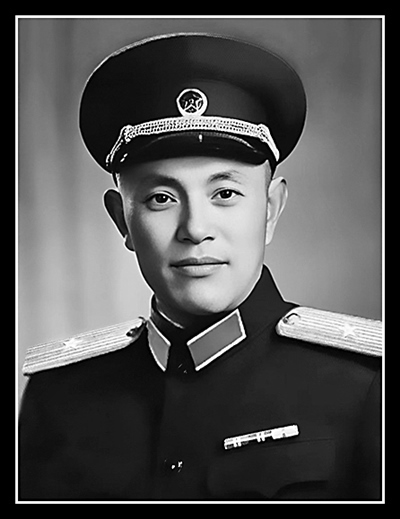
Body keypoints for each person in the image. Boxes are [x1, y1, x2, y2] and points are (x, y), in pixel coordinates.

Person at [18, 32, 382, 502]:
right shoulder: (58, 397)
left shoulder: (365, 385)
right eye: (161, 198)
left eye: (224, 193)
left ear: (270, 210)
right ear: (122, 221)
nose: (194, 229)